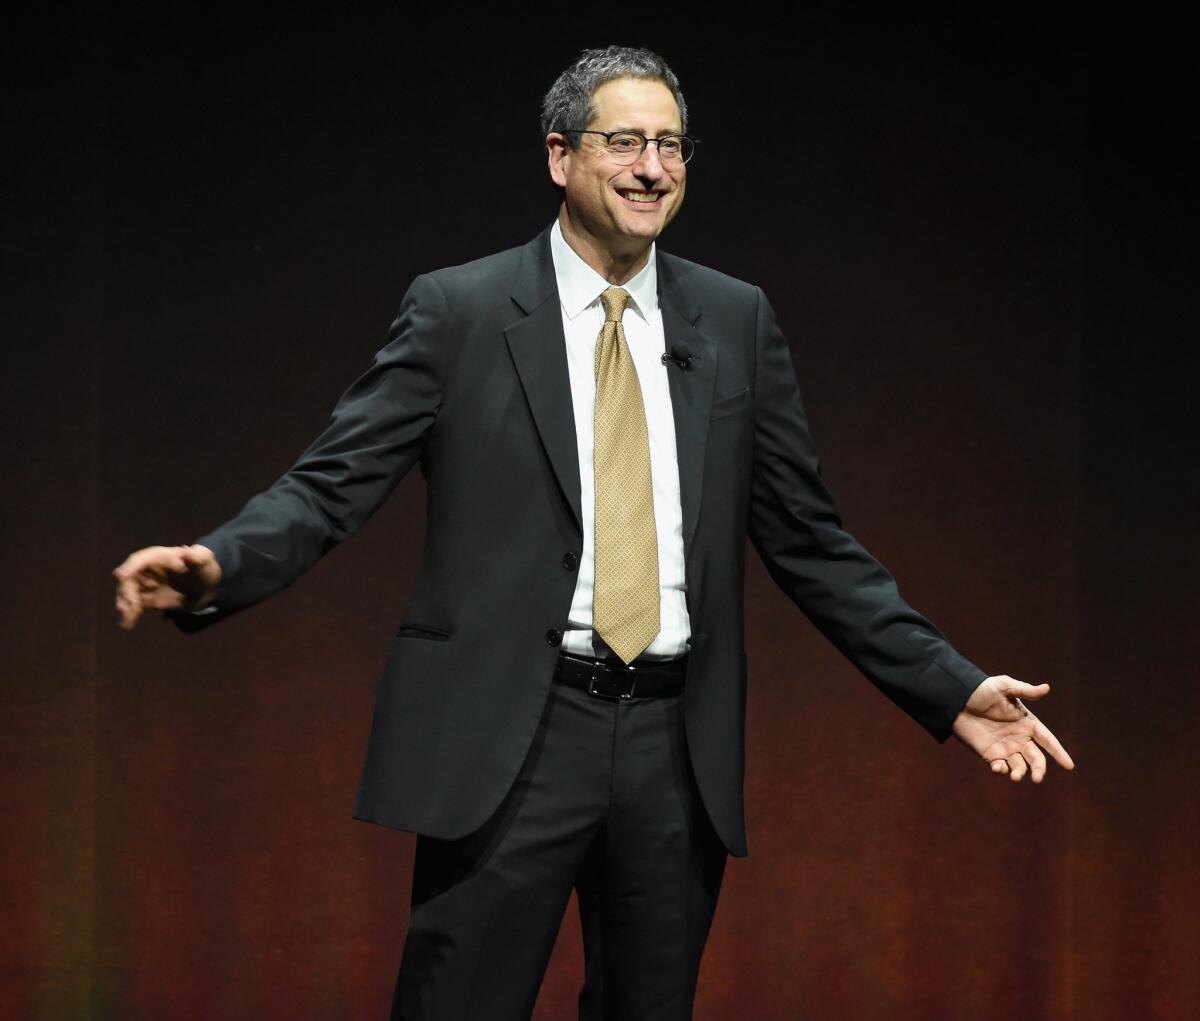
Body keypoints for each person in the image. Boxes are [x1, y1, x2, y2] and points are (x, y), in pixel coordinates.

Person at [113, 45, 1074, 1021]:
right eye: (625, 142)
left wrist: (949, 684)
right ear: (561, 155)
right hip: (514, 739)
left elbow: (814, 543)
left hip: (672, 748)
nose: (652, 167)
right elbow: (329, 488)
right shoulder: (462, 311)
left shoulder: (734, 320)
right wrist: (217, 564)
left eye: (670, 145)